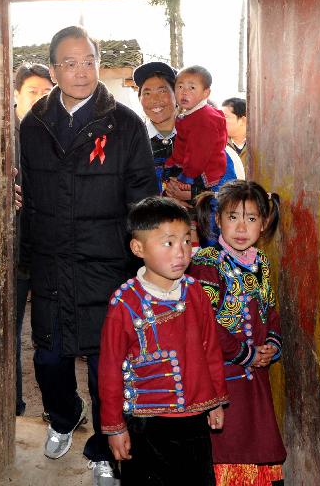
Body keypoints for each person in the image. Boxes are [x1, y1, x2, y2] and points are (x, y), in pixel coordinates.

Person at [19, 26, 157, 484]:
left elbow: (143, 195)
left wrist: (140, 254)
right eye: (71, 63)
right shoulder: (33, 125)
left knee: (106, 367)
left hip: (107, 263)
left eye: (90, 60)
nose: (82, 72)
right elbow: (22, 187)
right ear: (55, 69)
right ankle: (63, 416)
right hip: (52, 260)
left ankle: (103, 446)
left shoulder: (125, 124)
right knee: (50, 359)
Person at [98, 196, 228, 486]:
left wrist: (216, 401)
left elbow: (211, 350)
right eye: (168, 243)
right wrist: (115, 427)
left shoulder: (196, 293)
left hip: (194, 421)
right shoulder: (125, 303)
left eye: (186, 240)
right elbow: (109, 370)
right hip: (147, 425)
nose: (181, 252)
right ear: (138, 248)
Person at [189, 180, 286, 486]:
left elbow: (270, 310)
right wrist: (245, 353)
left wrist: (271, 342)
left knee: (256, 438)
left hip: (254, 377)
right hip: (222, 375)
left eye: (252, 218)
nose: (242, 227)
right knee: (227, 444)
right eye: (233, 217)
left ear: (264, 224)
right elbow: (204, 324)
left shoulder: (262, 263)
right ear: (218, 220)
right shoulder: (207, 262)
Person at [13, 62, 53, 416]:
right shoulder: (1, 133)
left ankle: (58, 410)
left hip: (45, 250)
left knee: (48, 333)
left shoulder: (52, 132)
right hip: (9, 252)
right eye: (32, 92)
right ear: (15, 95)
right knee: (7, 330)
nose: (40, 99)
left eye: (46, 92)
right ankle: (12, 405)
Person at [164, 65, 228, 193]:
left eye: (192, 88)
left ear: (206, 93)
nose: (184, 92)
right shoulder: (190, 114)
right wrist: (171, 164)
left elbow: (198, 154)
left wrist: (187, 177)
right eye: (180, 86)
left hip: (204, 173)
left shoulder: (204, 119)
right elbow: (182, 146)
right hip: (190, 166)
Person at [133, 61, 178, 193]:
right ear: (139, 99)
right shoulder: (132, 141)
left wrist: (194, 194)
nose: (154, 99)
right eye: (147, 93)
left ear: (176, 95)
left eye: (162, 91)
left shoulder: (199, 136)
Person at [221, 98, 247, 171]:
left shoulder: (259, 144)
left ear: (243, 120)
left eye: (225, 117)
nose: (220, 120)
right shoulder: (219, 144)